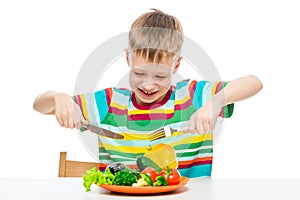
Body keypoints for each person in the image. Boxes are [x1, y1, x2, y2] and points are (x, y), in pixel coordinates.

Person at [33, 9, 263, 178]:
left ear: (176, 65)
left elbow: (254, 82)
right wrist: (58, 98)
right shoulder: (110, 102)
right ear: (127, 60)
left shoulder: (193, 96)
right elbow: (39, 105)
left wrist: (216, 102)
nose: (149, 85)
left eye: (161, 76)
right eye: (139, 73)